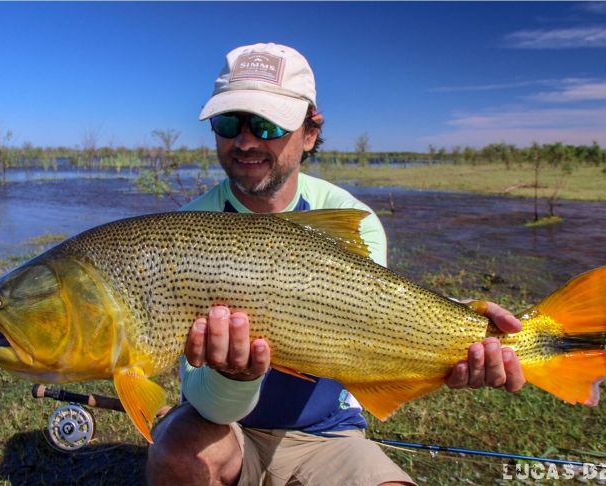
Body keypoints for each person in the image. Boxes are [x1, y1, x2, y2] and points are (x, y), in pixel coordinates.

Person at [146, 42, 525, 486]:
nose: (245, 140)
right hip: (222, 430)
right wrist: (234, 374)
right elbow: (207, 402)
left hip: (331, 434)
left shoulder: (352, 217)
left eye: (266, 124)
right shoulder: (182, 233)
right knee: (174, 454)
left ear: (310, 132)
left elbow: (371, 313)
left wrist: (463, 320)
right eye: (228, 122)